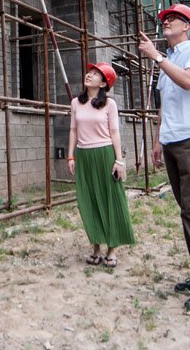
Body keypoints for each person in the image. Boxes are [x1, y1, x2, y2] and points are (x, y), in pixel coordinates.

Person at [137, 3, 190, 312]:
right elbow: (166, 104)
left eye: (172, 19)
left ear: (186, 26)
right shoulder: (170, 60)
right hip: (172, 140)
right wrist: (158, 140)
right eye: (165, 19)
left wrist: (157, 56)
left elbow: (187, 82)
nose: (166, 23)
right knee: (186, 211)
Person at [67, 62, 135, 268]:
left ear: (104, 83)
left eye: (96, 74)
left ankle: (112, 249)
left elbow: (114, 132)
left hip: (104, 154)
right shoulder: (75, 103)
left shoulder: (109, 104)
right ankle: (96, 248)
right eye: (89, 72)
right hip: (84, 155)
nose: (89, 75)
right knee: (88, 200)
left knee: (110, 200)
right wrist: (70, 156)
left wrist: (119, 160)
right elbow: (73, 130)